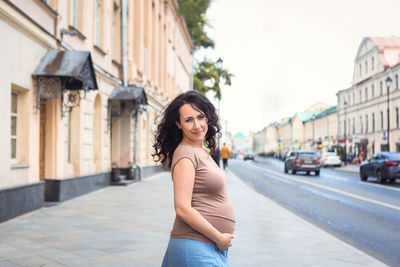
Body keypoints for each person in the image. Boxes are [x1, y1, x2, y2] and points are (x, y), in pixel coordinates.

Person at [152, 90, 235, 267]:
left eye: (200, 117)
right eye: (189, 120)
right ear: (178, 124)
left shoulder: (200, 151)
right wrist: (219, 238)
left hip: (205, 246)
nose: (197, 125)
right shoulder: (185, 155)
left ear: (208, 118)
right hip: (196, 245)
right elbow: (182, 208)